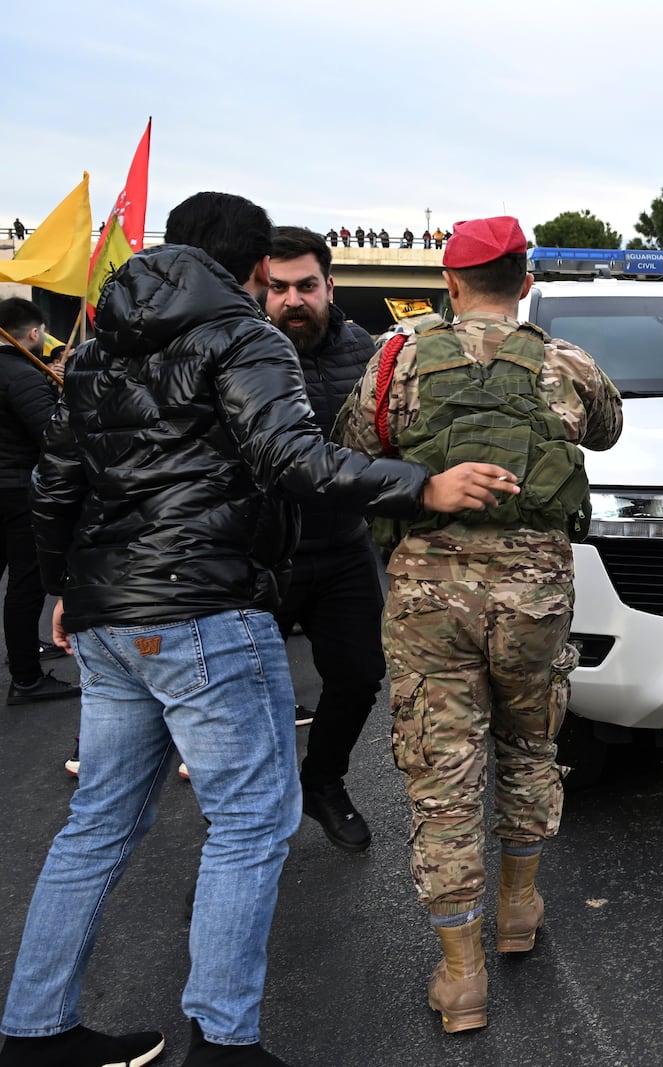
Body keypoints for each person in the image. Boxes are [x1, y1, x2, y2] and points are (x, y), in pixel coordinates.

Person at [3, 192, 520, 1066]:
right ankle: (224, 1040)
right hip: (203, 608)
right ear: (248, 268)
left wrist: (64, 587)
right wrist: (421, 484)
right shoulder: (245, 336)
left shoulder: (97, 347)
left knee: (96, 823)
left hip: (107, 614)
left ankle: (33, 1029)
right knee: (250, 823)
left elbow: (57, 480)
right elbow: (295, 458)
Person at [338, 215, 623, 1034]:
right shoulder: (565, 361)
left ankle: (461, 980)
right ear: (525, 280)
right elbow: (607, 429)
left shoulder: (393, 361)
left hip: (429, 594)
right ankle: (520, 909)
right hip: (535, 592)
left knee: (443, 775)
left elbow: (357, 450)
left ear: (450, 281)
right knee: (531, 746)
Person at [262, 226, 388, 852]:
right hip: (258, 556)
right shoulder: (237, 351)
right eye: (278, 287)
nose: (293, 300)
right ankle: (241, 835)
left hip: (341, 547)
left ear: (329, 286)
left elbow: (382, 441)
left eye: (306, 286)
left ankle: (323, 781)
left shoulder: (363, 349)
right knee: (249, 699)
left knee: (361, 675)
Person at [0, 299, 76, 707]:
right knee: (26, 586)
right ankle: (26, 678)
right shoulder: (22, 375)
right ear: (33, 333)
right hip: (16, 492)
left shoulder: (23, 374)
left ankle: (24, 648)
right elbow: (53, 434)